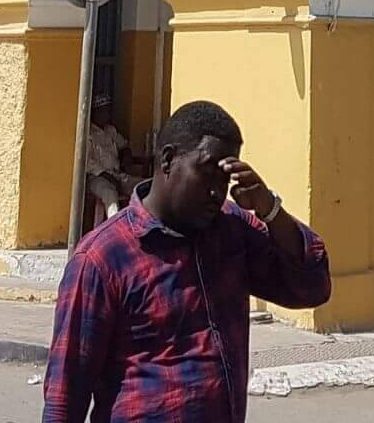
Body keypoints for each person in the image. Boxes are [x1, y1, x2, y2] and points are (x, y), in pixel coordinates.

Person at [43, 98, 330, 423]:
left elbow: (311, 287)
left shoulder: (231, 230)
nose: (217, 192)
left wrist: (270, 210)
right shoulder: (102, 258)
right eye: (208, 174)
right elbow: (65, 396)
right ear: (167, 160)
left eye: (225, 179)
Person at [84, 97, 140, 224]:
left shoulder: (111, 130)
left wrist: (126, 157)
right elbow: (88, 164)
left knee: (141, 186)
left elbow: (124, 146)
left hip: (117, 174)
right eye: (103, 111)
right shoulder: (89, 133)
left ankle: (139, 226)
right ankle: (117, 227)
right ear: (95, 113)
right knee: (109, 193)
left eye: (108, 111)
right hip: (96, 178)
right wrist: (109, 177)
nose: (106, 115)